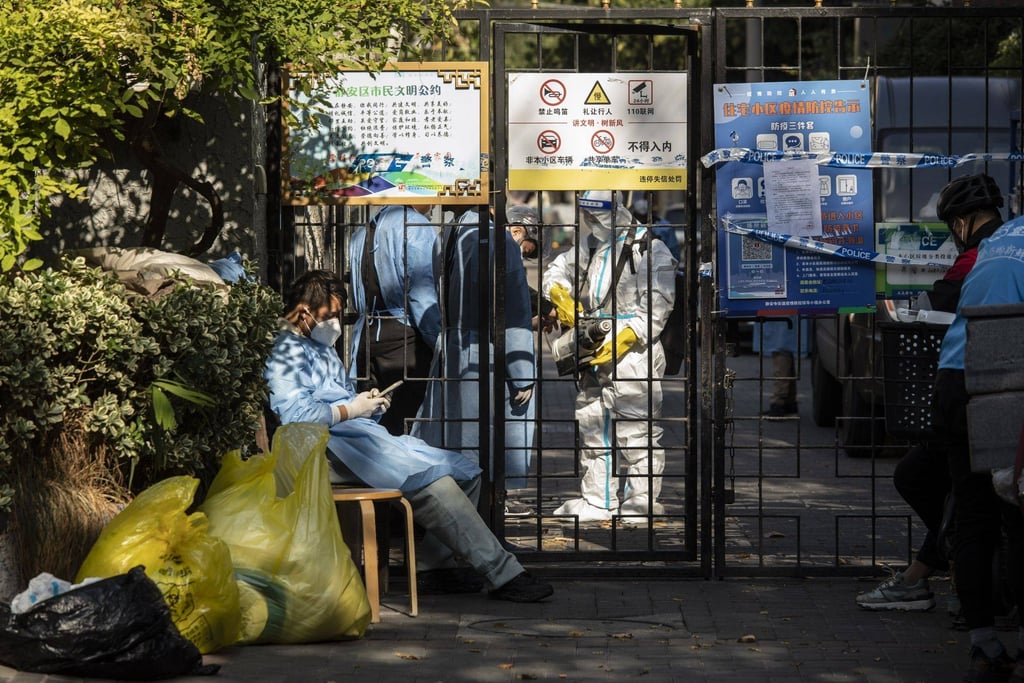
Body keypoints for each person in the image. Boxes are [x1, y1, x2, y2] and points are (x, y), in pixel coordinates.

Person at [264, 270, 554, 603]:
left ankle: (435, 567)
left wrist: (367, 404)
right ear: (304, 312)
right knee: (435, 484)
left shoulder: (316, 342)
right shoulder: (284, 348)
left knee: (466, 471)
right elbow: (295, 416)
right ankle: (505, 574)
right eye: (330, 316)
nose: (335, 323)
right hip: (323, 451)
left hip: (356, 439)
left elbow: (338, 397)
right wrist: (349, 411)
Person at [856, 173, 1005, 613]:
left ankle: (950, 584)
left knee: (947, 486)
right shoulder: (1007, 246)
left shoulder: (976, 256)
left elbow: (938, 305)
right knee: (953, 488)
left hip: (968, 389)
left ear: (963, 222)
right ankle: (938, 568)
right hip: (992, 389)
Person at [926, 174, 1024, 682]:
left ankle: (983, 644)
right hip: (1007, 383)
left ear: (961, 223)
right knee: (1017, 515)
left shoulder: (993, 247)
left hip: (956, 383)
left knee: (974, 516)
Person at [542, 190, 676, 523]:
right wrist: (560, 296)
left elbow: (657, 309)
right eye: (585, 216)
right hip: (592, 347)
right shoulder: (591, 246)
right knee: (592, 423)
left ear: (614, 212)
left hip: (635, 355)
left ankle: (641, 501)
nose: (590, 222)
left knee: (636, 430)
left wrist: (626, 337)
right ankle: (597, 500)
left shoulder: (648, 249)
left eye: (595, 216)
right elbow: (556, 272)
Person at [411, 207, 537, 515]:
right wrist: (523, 373)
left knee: (454, 442)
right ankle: (482, 529)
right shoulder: (499, 239)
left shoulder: (448, 234)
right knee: (487, 447)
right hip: (486, 353)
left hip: (452, 348)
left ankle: (456, 524)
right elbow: (514, 311)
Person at [348, 204, 440, 436]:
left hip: (366, 336)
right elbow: (422, 293)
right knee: (408, 427)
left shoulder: (364, 230)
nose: (435, 203)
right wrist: (439, 341)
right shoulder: (416, 225)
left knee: (372, 422)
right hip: (405, 340)